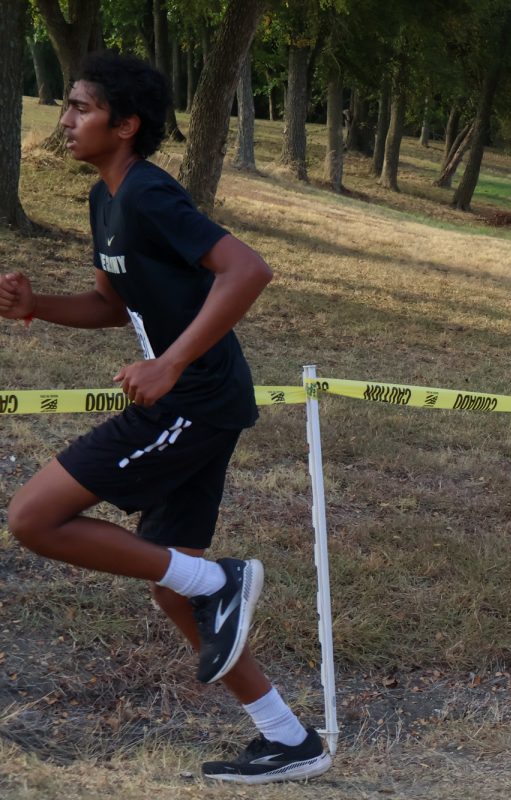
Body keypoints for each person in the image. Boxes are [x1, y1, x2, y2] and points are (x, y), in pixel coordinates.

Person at [0, 53, 331, 783]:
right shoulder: (105, 198)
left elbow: (248, 269)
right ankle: (288, 737)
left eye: (81, 108)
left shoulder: (149, 193)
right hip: (191, 399)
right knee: (172, 580)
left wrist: (171, 363)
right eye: (66, 106)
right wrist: (37, 309)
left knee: (33, 517)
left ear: (126, 126)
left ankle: (222, 580)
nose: (64, 119)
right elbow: (114, 306)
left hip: (191, 402)